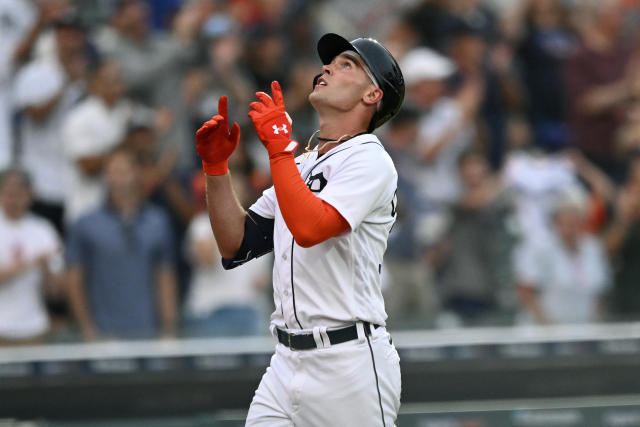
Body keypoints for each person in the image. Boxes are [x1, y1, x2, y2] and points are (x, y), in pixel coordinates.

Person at [196, 33, 403, 426]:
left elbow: (312, 228)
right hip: (285, 361)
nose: (326, 67)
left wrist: (278, 149)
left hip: (348, 363)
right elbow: (236, 244)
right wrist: (216, 168)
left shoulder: (371, 159)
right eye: (330, 62)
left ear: (373, 95)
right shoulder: (305, 162)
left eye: (347, 64)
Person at [66, 149, 178, 340]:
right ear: (105, 177)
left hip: (148, 330)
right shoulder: (85, 223)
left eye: (124, 171)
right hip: (104, 332)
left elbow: (165, 276)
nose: (119, 178)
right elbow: (74, 280)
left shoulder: (157, 221)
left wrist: (169, 328)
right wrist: (87, 328)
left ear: (136, 173)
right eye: (113, 172)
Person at [0, 168, 64, 344]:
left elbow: (55, 293)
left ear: (30, 195)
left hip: (34, 327)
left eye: (19, 194)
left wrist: (47, 271)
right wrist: (30, 263)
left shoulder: (43, 230)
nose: (13, 200)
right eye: (9, 193)